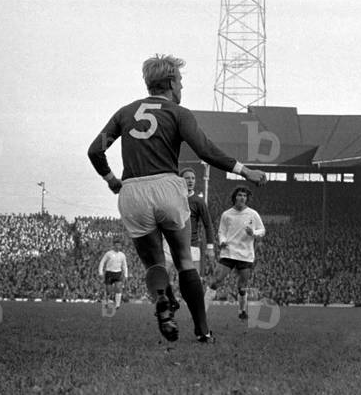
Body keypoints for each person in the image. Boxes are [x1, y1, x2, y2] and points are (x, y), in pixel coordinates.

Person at [87, 54, 267, 343]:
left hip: (132, 191)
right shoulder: (178, 113)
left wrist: (111, 180)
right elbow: (205, 150)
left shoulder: (125, 113)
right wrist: (244, 170)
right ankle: (202, 330)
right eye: (180, 81)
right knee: (184, 260)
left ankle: (162, 299)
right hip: (168, 187)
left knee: (155, 265)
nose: (181, 87)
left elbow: (95, 151)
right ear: (171, 82)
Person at [204, 187, 266, 320]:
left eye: (244, 195)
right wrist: (222, 241)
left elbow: (262, 230)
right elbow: (221, 231)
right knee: (215, 280)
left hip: (245, 254)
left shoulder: (253, 214)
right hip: (229, 252)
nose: (242, 197)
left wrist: (253, 233)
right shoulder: (227, 214)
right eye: (240, 195)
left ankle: (242, 311)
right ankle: (202, 311)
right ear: (235, 197)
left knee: (242, 286)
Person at [98, 238, 128, 309]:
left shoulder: (122, 255)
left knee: (118, 288)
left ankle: (117, 305)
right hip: (109, 273)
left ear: (121, 246)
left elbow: (124, 265)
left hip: (118, 273)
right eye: (116, 245)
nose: (118, 246)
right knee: (108, 290)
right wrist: (100, 272)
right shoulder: (108, 254)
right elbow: (102, 262)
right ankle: (107, 302)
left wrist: (126, 275)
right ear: (114, 245)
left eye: (119, 245)